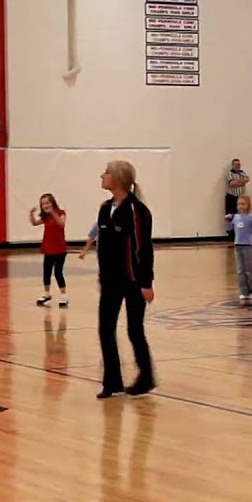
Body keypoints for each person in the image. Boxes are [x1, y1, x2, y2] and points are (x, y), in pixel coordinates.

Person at [92, 160, 156, 399]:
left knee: (134, 330)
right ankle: (112, 381)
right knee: (105, 329)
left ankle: (146, 377)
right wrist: (102, 277)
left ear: (117, 178)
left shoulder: (137, 211)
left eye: (106, 172)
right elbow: (103, 249)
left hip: (133, 282)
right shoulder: (104, 208)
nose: (102, 175)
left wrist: (146, 283)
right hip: (110, 282)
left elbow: (144, 248)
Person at [29, 193, 68, 307]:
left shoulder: (61, 213)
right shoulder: (45, 217)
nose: (45, 206)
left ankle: (63, 295)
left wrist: (53, 213)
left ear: (53, 203)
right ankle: (46, 294)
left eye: (47, 203)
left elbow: (61, 224)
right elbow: (34, 223)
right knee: (46, 272)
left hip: (60, 249)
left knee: (58, 272)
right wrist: (31, 214)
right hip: (48, 249)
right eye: (43, 204)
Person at [226, 195, 252, 302]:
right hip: (238, 245)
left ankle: (250, 290)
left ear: (248, 205)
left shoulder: (250, 217)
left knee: (248, 270)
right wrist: (227, 220)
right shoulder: (236, 217)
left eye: (243, 204)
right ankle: (243, 291)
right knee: (240, 270)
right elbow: (229, 229)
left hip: (247, 246)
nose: (240, 206)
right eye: (239, 204)